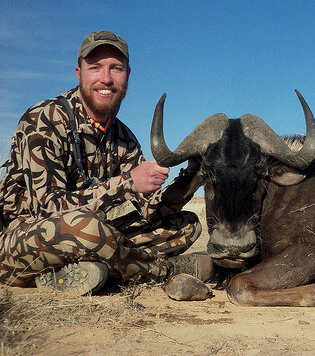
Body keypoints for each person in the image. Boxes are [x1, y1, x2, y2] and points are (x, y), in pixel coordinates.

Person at [0, 30, 210, 296]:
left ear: (128, 75)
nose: (106, 79)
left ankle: (84, 272)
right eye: (95, 67)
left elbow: (147, 212)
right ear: (79, 73)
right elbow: (46, 210)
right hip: (18, 241)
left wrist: (190, 180)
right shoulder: (43, 119)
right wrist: (126, 183)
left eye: (116, 69)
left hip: (93, 237)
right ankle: (165, 271)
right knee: (87, 228)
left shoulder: (124, 138)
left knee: (187, 224)